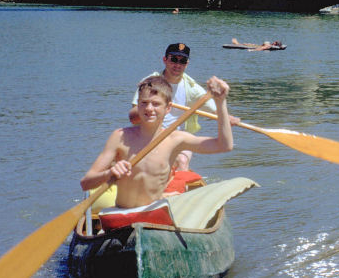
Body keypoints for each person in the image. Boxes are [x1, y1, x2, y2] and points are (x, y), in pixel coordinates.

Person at [85, 75, 234, 209]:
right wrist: (110, 173)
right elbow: (86, 183)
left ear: (168, 108)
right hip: (122, 213)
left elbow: (224, 145)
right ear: (138, 105)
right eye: (144, 103)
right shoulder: (119, 136)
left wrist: (220, 102)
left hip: (153, 213)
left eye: (156, 104)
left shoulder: (176, 139)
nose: (149, 108)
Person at [132, 43, 240, 171]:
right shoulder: (149, 83)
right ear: (165, 60)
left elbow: (217, 112)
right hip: (150, 135)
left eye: (182, 61)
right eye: (174, 59)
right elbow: (133, 116)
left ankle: (182, 188)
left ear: (187, 64)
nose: (177, 65)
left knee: (182, 160)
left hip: (179, 137)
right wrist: (150, 112)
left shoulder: (193, 88)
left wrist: (227, 118)